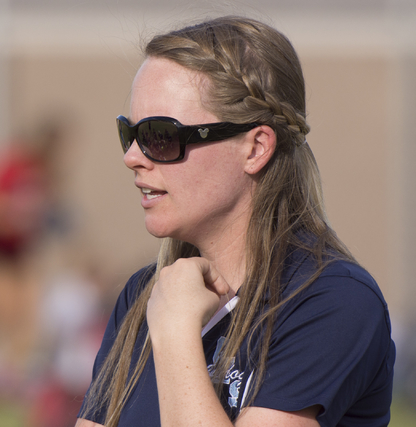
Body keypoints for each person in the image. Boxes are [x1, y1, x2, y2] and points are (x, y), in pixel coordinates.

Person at [76, 16, 395, 427]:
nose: (133, 156)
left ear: (256, 147)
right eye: (130, 133)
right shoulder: (147, 293)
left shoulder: (331, 301)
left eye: (161, 135)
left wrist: (175, 334)